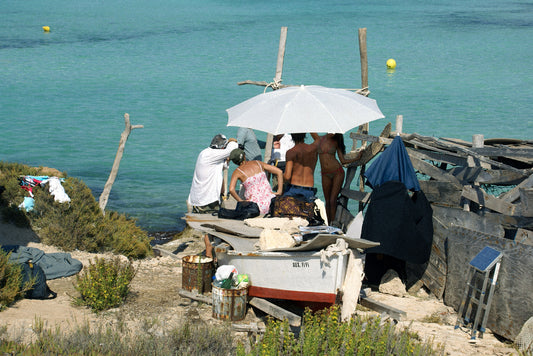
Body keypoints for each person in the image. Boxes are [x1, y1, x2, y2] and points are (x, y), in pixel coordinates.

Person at [311, 133, 363, 224]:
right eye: (332, 131)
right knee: (327, 201)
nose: (333, 133)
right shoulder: (319, 139)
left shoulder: (336, 141)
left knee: (332, 200)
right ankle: (328, 224)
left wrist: (357, 158)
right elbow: (310, 129)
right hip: (325, 174)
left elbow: (342, 161)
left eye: (335, 132)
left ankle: (334, 224)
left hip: (337, 172)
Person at [187, 134, 238, 213]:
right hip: (206, 200)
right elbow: (230, 150)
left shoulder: (205, 153)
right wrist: (232, 142)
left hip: (201, 197)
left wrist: (227, 160)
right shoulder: (212, 154)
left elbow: (222, 166)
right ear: (222, 146)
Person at [228, 148, 283, 214]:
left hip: (255, 206)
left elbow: (231, 190)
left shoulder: (237, 172)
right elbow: (279, 172)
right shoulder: (258, 163)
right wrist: (279, 191)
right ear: (244, 156)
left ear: (234, 162)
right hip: (271, 202)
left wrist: (241, 201)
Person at [283, 133, 319, 201]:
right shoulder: (313, 149)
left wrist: (281, 176)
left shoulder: (291, 152)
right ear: (304, 135)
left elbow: (287, 176)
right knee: (307, 211)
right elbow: (318, 139)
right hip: (309, 189)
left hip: (293, 189)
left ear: (292, 135)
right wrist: (308, 126)